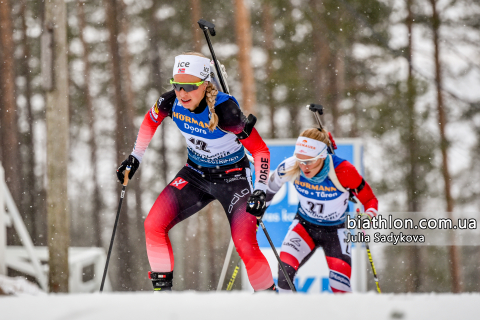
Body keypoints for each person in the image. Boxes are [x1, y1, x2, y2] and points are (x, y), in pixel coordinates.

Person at [116, 52, 276, 292]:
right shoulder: (170, 102)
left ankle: (270, 303)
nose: (182, 93)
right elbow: (150, 122)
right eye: (177, 85)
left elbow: (261, 151)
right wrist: (135, 157)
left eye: (190, 86)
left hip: (233, 177)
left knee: (245, 243)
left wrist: (260, 191)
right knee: (153, 225)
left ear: (205, 84)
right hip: (196, 174)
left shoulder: (226, 111)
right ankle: (165, 298)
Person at [261, 128, 378, 293]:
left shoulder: (344, 170)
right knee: (284, 273)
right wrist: (257, 209)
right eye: (301, 160)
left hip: (336, 232)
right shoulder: (291, 166)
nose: (304, 166)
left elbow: (370, 199)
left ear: (323, 156)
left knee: (340, 288)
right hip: (305, 226)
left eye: (310, 161)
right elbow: (268, 191)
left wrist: (367, 217)